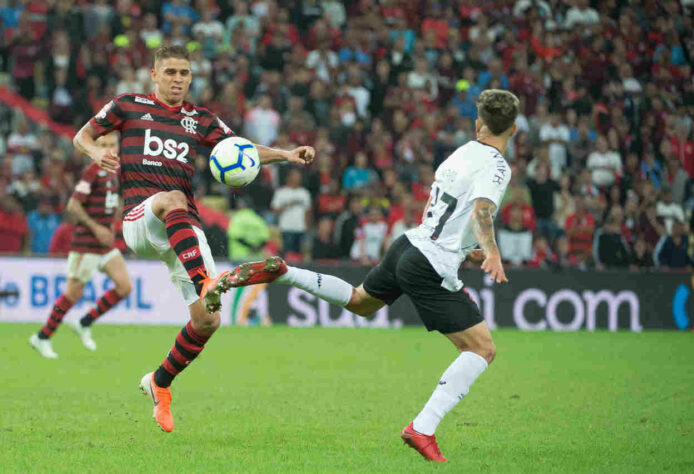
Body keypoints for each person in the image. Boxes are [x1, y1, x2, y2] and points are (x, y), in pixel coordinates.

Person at [232, 89, 518, 462]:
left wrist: (467, 247)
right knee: (482, 348)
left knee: (359, 302)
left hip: (408, 245)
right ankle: (423, 428)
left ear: (478, 124)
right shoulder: (497, 166)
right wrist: (492, 251)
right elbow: (481, 210)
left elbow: (444, 209)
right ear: (512, 130)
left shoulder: (461, 152)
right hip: (430, 263)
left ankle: (286, 273)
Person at [71, 45, 314, 433]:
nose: (178, 79)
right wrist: (96, 153)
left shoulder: (200, 119)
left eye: (184, 73)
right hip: (141, 217)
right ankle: (207, 281)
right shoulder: (127, 105)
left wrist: (286, 155)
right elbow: (82, 136)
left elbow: (243, 152)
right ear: (153, 74)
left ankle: (159, 383)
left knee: (208, 319)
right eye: (170, 72)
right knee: (173, 199)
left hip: (182, 225)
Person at [29, 133, 132, 359]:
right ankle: (42, 337)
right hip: (86, 243)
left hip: (105, 245)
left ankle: (84, 323)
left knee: (124, 287)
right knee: (72, 294)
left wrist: (113, 223)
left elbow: (110, 203)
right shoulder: (92, 171)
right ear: (96, 148)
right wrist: (97, 228)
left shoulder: (115, 172)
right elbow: (73, 205)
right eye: (103, 145)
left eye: (112, 144)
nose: (108, 149)